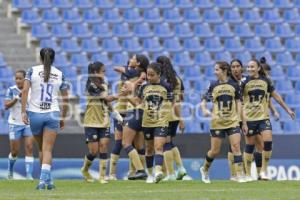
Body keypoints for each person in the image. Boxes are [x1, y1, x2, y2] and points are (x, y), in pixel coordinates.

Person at [21, 48, 69, 190]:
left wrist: (23, 112)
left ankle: (46, 180)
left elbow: (24, 91)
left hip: (35, 114)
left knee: (41, 149)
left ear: (40, 57)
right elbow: (65, 98)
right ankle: (45, 180)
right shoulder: (60, 74)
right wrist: (63, 117)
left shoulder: (32, 71)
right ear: (53, 58)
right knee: (47, 150)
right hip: (52, 113)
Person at [241, 59, 295, 180]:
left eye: (252, 67)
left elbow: (276, 97)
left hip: (263, 118)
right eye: (248, 67)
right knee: (249, 146)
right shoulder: (244, 82)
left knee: (268, 142)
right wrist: (243, 122)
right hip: (249, 118)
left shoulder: (266, 81)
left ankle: (264, 171)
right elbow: (238, 101)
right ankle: (247, 174)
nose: (249, 69)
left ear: (258, 68)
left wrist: (288, 110)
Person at [200, 61, 245, 184]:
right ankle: (204, 169)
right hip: (217, 122)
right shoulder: (213, 85)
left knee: (236, 147)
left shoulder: (235, 85)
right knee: (215, 151)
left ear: (224, 70)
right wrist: (204, 109)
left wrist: (243, 122)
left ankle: (240, 175)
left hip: (232, 121)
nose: (215, 72)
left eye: (217, 70)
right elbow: (203, 101)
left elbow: (239, 104)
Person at [109, 54, 149, 180]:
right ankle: (120, 173)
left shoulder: (137, 75)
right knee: (127, 143)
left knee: (128, 143)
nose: (131, 59)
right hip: (127, 111)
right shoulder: (137, 76)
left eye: (133, 58)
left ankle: (132, 172)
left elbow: (116, 68)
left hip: (130, 110)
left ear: (137, 63)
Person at [80, 61, 121, 184]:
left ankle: (102, 176)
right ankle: (85, 169)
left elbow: (107, 102)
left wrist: (114, 112)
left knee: (104, 145)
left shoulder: (104, 84)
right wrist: (121, 94)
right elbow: (107, 98)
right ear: (95, 72)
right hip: (91, 121)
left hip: (104, 120)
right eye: (103, 71)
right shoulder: (91, 85)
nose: (104, 73)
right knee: (94, 150)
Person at [137, 62, 174, 183]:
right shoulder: (144, 87)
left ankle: (158, 171)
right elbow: (139, 103)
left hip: (161, 122)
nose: (149, 77)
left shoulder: (167, 86)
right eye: (148, 74)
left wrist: (164, 113)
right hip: (147, 122)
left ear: (159, 74)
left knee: (159, 147)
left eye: (152, 75)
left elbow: (172, 103)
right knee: (149, 149)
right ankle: (150, 174)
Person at [156, 56, 186, 181]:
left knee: (165, 144)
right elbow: (181, 98)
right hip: (176, 114)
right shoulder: (177, 80)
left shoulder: (161, 81)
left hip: (165, 114)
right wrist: (180, 118)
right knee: (170, 142)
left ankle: (171, 173)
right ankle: (180, 168)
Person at [5, 70, 34, 180]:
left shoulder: (31, 91)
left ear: (25, 79)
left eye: (20, 78)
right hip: (14, 123)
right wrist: (17, 97)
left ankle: (29, 175)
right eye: (16, 78)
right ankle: (10, 170)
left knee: (29, 147)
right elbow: (6, 105)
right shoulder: (11, 90)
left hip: (28, 123)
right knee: (14, 151)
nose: (18, 80)